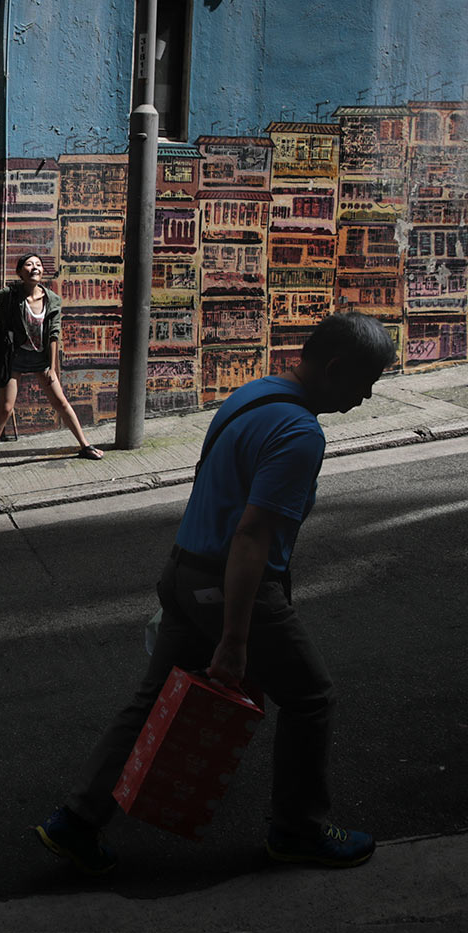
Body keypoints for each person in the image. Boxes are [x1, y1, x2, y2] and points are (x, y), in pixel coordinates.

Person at [33, 311, 398, 874]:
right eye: (365, 380)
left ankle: (77, 821)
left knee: (150, 701)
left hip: (184, 570)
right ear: (334, 369)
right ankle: (298, 830)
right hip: (230, 586)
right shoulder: (300, 433)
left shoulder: (251, 394)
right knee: (310, 698)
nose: (368, 395)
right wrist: (234, 637)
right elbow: (252, 535)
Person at [0, 253, 104, 475]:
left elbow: (54, 334)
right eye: (29, 264)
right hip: (14, 359)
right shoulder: (11, 296)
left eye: (38, 265)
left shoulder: (53, 300)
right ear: (20, 272)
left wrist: (52, 367)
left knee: (61, 402)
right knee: (5, 408)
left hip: (40, 361)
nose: (35, 268)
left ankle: (85, 445)